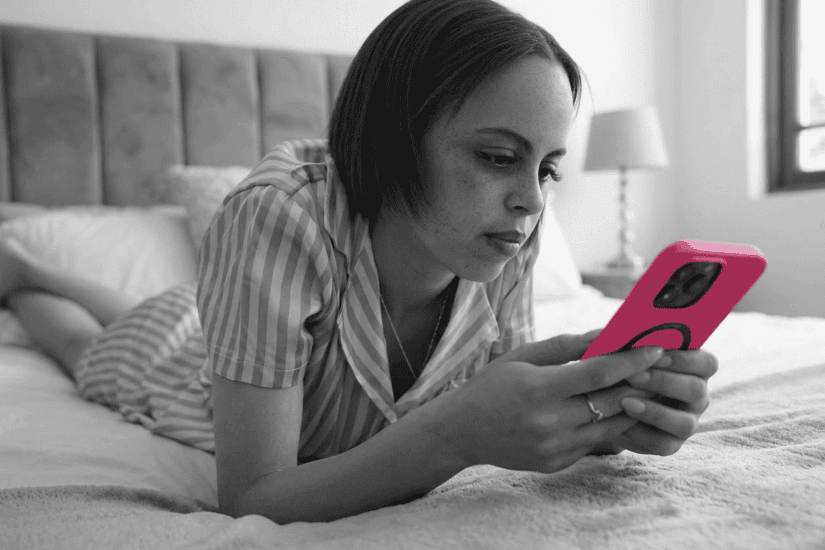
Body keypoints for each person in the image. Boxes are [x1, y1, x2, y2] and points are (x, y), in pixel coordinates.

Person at [0, 0, 717, 525]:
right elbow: (251, 497)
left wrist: (603, 415)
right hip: (177, 366)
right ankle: (23, 272)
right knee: (87, 344)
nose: (531, 200)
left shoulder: (508, 233)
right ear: (393, 136)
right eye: (499, 157)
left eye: (548, 168)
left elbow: (510, 397)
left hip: (227, 321)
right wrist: (455, 435)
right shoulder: (280, 214)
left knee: (160, 310)